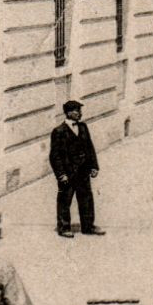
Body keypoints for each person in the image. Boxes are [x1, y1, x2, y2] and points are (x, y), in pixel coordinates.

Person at [49, 99, 101, 238]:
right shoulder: (58, 131)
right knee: (65, 200)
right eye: (77, 111)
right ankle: (64, 227)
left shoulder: (83, 127)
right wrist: (61, 175)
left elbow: (89, 147)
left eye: (80, 110)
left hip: (83, 172)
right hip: (68, 173)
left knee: (86, 199)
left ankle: (88, 226)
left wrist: (94, 166)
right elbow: (55, 156)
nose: (80, 113)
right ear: (68, 113)